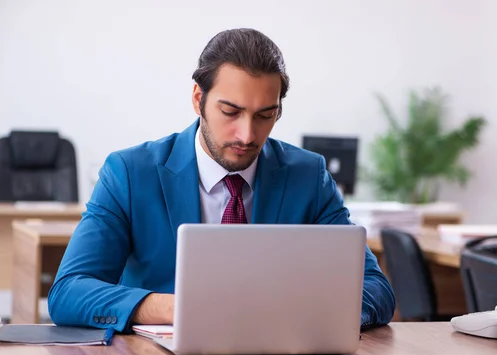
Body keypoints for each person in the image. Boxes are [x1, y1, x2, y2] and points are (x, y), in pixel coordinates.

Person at [48, 28, 395, 332]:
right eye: (231, 112)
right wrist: (178, 308)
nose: (247, 134)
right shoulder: (129, 173)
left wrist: (300, 312)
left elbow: (375, 290)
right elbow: (69, 292)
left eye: (265, 115)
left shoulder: (309, 176)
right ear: (199, 100)